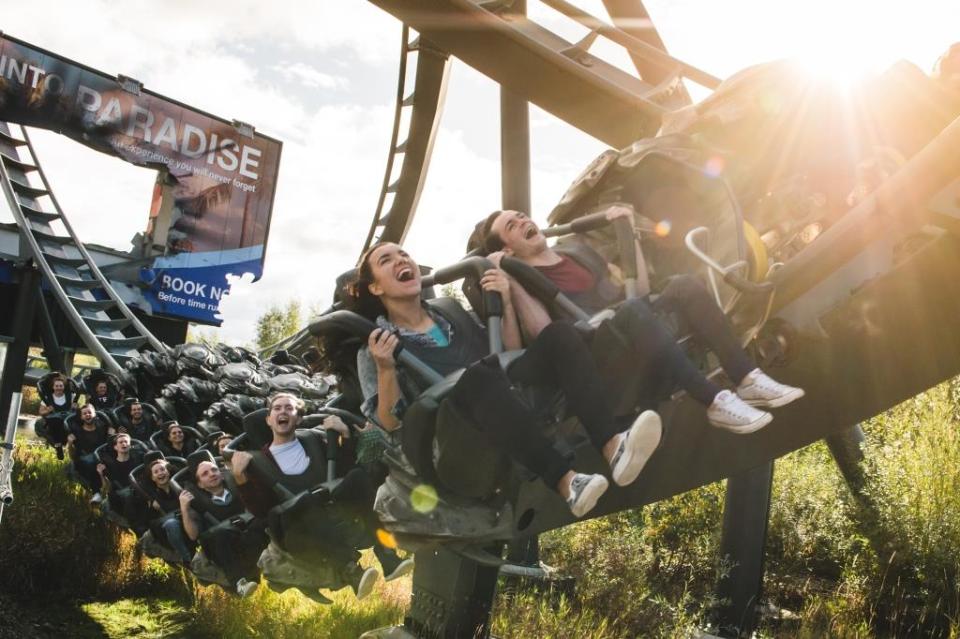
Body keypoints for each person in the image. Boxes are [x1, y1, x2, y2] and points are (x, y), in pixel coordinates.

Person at [351, 242, 663, 519]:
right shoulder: (374, 348)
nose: (401, 260)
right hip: (459, 443)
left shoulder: (450, 312)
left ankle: (613, 446)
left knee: (559, 335)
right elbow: (390, 425)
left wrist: (507, 303)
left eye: (403, 254)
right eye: (386, 260)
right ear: (375, 288)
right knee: (476, 377)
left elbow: (509, 354)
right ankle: (567, 483)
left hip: (505, 403)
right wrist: (386, 369)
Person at [472, 207, 804, 433]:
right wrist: (511, 279)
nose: (521, 219)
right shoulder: (527, 281)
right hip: (601, 356)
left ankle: (747, 376)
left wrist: (631, 236)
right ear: (509, 251)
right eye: (511, 226)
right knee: (631, 312)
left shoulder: (577, 252)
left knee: (683, 283)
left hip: (634, 324)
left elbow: (639, 291)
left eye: (520, 215)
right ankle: (714, 400)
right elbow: (546, 335)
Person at [231, 392, 414, 600]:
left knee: (358, 477)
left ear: (298, 418)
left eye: (289, 408)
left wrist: (345, 435)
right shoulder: (258, 462)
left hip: (332, 507)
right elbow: (261, 510)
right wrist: (240, 479)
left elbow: (343, 471)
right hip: (300, 523)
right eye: (277, 408)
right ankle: (351, 571)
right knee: (289, 522)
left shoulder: (312, 439)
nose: (283, 411)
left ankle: (387, 555)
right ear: (268, 419)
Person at [179, 451, 268, 598]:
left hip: (248, 535)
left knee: (265, 520)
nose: (212, 474)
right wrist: (184, 509)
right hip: (224, 544)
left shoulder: (235, 485)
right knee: (220, 535)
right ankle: (239, 583)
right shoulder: (198, 502)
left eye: (214, 470)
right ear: (200, 484)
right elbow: (193, 535)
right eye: (205, 474)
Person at [144, 454, 194, 564]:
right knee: (171, 523)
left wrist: (169, 465)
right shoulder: (152, 495)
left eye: (163, 470)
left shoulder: (181, 485)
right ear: (152, 478)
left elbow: (188, 475)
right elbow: (150, 521)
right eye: (156, 472)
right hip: (170, 527)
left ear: (168, 471)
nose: (160, 473)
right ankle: (187, 559)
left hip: (189, 518)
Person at [96, 433, 146, 531]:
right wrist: (101, 474)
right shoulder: (110, 465)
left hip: (139, 489)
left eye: (126, 442)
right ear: (115, 447)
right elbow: (107, 488)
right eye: (121, 442)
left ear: (130, 445)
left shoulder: (137, 460)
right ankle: (135, 527)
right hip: (122, 495)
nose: (124, 444)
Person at [67, 404, 115, 503]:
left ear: (94, 414)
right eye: (84, 413)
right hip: (87, 459)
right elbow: (72, 455)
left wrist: (112, 435)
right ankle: (96, 492)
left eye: (89, 412)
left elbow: (110, 444)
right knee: (92, 463)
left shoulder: (102, 427)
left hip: (102, 455)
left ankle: (113, 491)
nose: (87, 415)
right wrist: (70, 444)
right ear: (81, 417)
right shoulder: (78, 432)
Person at [38, 374, 77, 460]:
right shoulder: (47, 398)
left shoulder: (70, 396)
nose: (59, 388)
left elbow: (77, 408)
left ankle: (74, 445)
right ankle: (58, 446)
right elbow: (41, 412)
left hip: (67, 417)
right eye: (57, 386)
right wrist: (48, 410)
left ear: (63, 387)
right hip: (54, 420)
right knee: (55, 423)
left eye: (61, 386)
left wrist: (75, 407)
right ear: (53, 387)